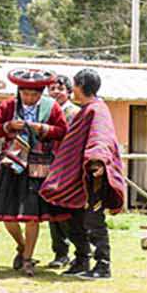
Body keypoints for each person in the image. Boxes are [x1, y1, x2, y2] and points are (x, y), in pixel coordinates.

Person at [0, 68, 70, 276]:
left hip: (38, 166)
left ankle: (28, 259)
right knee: (8, 215)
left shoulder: (51, 107)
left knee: (32, 216)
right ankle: (21, 245)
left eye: (34, 94)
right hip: (11, 163)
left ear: (41, 93)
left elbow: (62, 131)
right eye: (25, 93)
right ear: (19, 91)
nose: (29, 98)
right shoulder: (8, 106)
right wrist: (9, 125)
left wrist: (42, 129)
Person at [40, 67, 125, 279]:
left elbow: (100, 136)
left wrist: (96, 160)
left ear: (81, 87)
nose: (73, 89)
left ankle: (103, 265)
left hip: (93, 174)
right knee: (73, 216)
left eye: (74, 85)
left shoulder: (97, 110)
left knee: (94, 219)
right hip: (77, 175)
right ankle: (81, 259)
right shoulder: (86, 109)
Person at [44, 74, 81, 269]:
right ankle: (60, 253)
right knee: (52, 212)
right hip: (49, 167)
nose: (56, 92)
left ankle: (81, 252)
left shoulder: (75, 113)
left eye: (60, 88)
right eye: (52, 89)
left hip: (69, 169)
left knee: (70, 212)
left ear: (69, 92)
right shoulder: (45, 112)